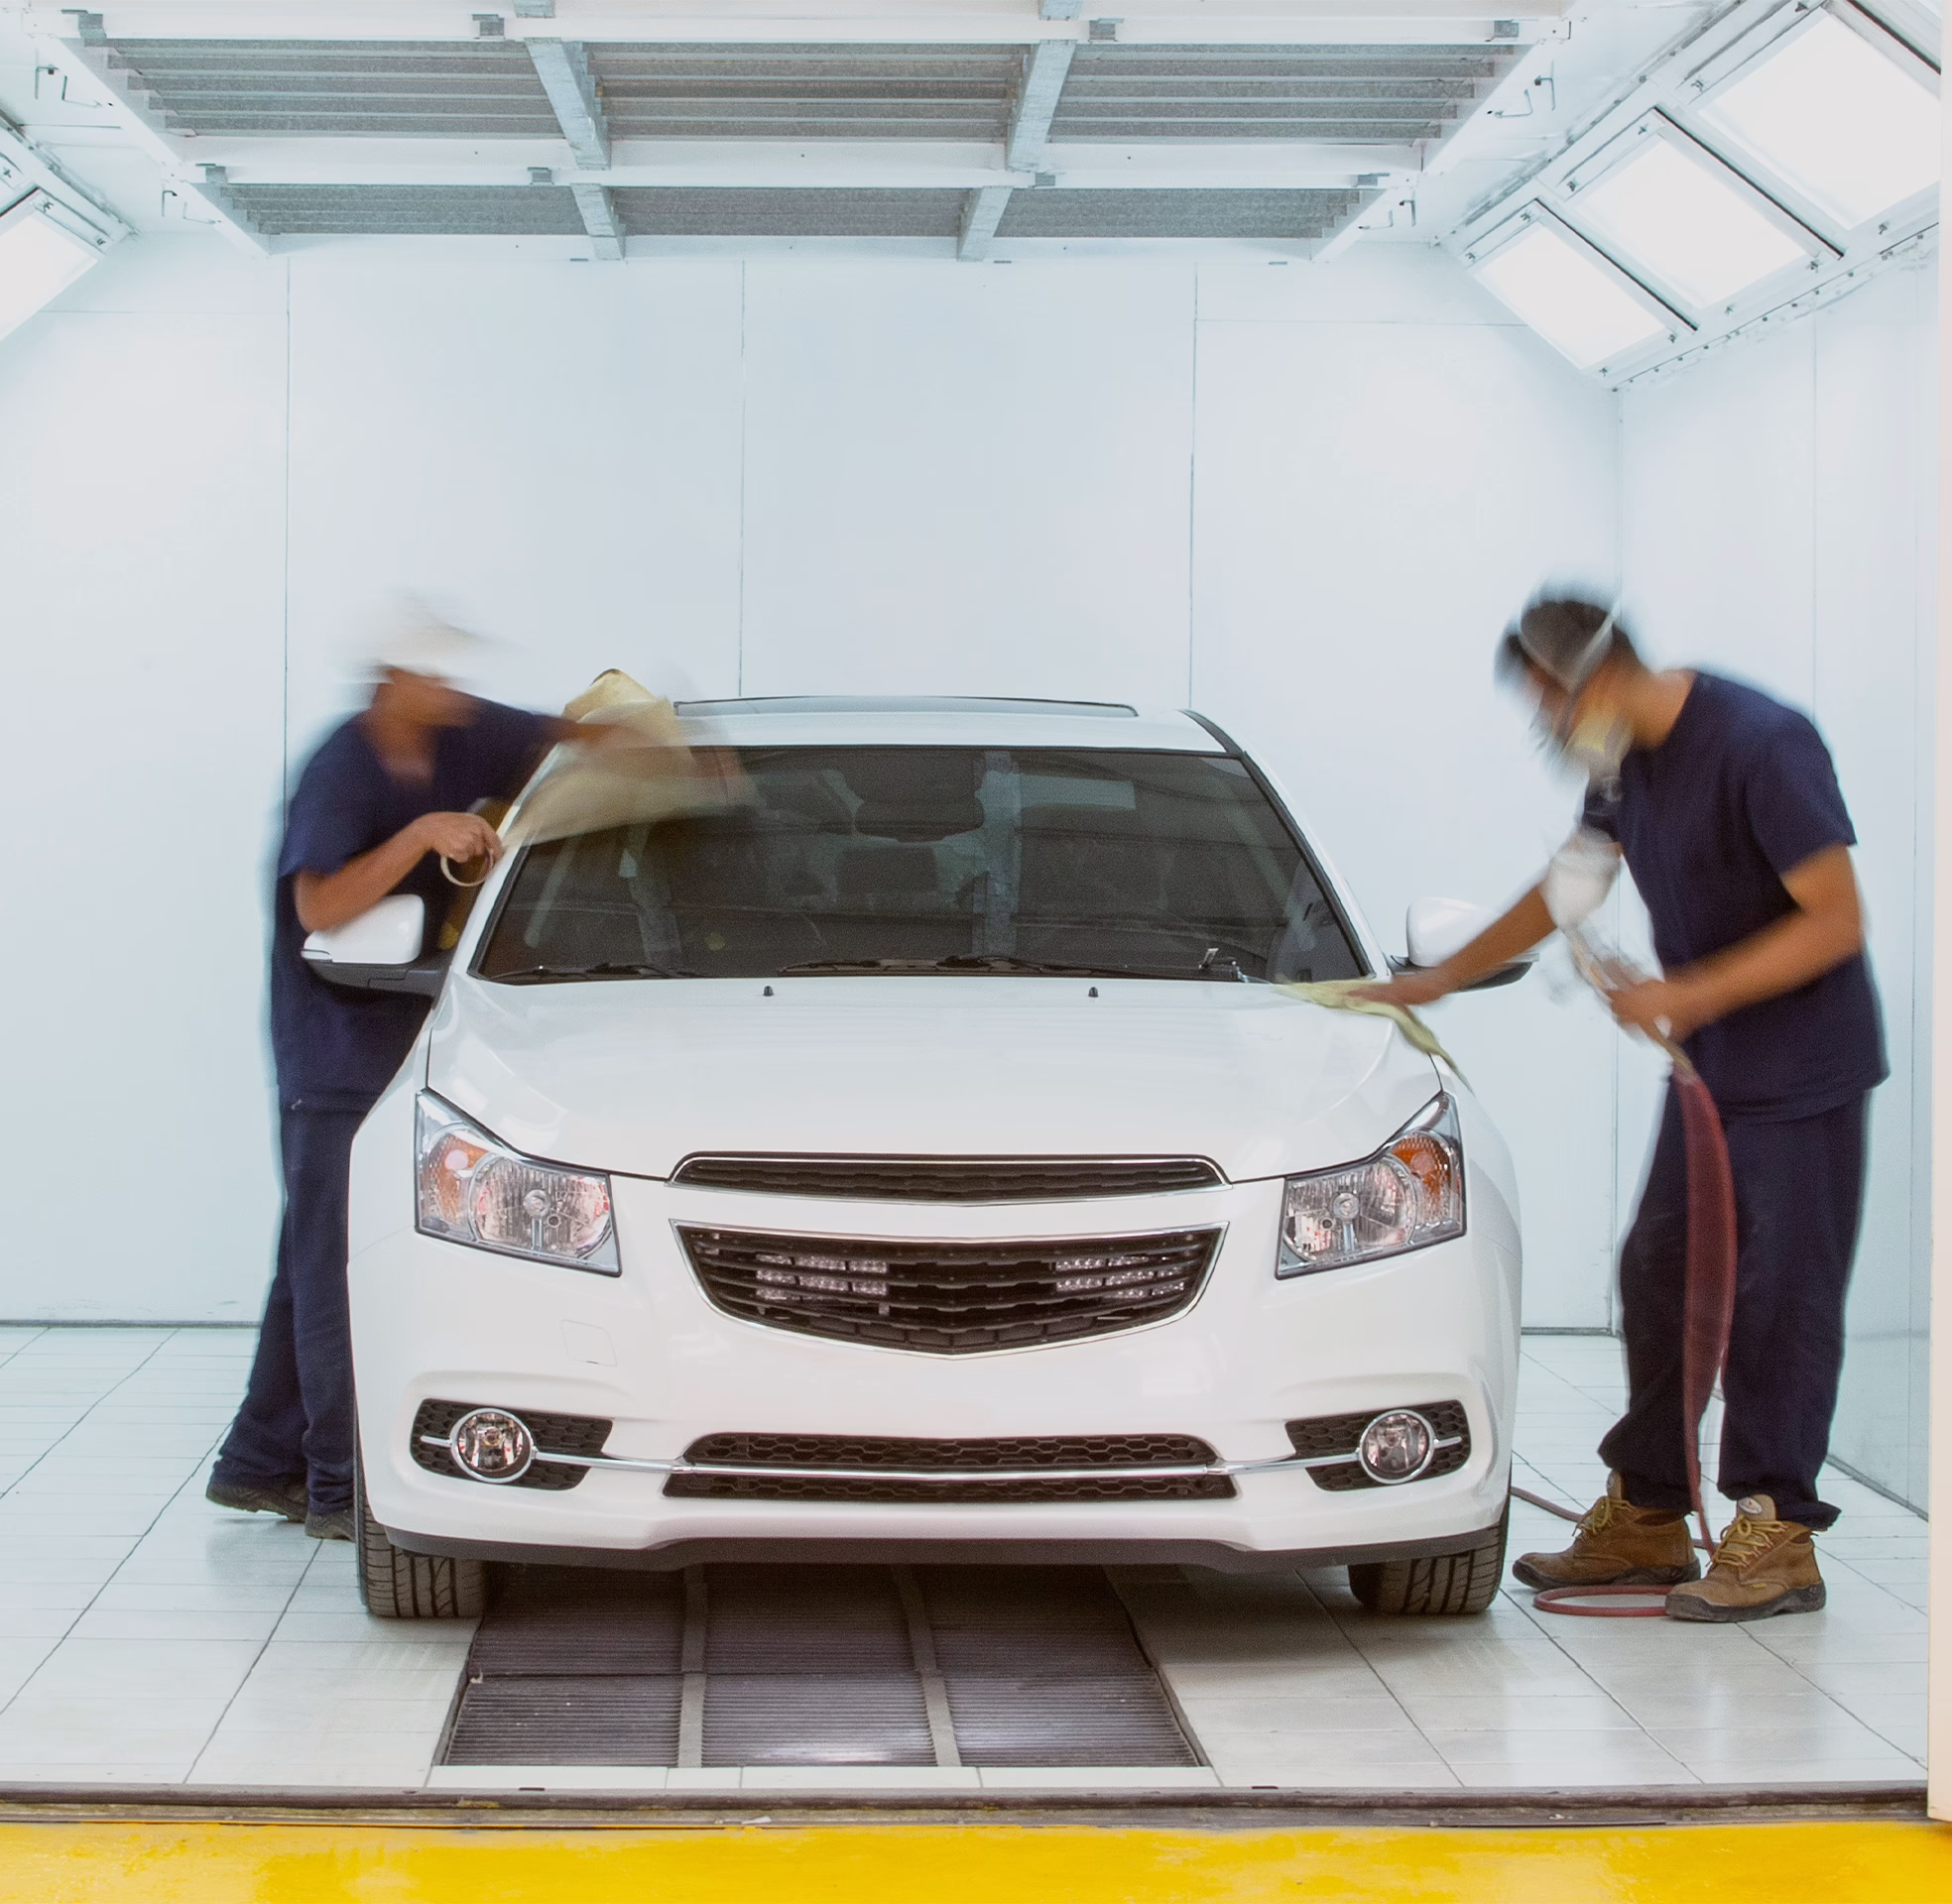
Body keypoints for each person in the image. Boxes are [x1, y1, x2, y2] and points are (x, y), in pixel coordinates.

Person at [1362, 596, 1885, 1621]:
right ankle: (1649, 1514)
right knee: (1657, 1269)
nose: (1548, 725)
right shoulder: (1625, 763)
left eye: (1549, 702)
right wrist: (1443, 977)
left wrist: (1688, 993)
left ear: (1598, 675)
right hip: (1713, 1070)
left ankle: (1778, 1531)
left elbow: (1836, 922)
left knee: (1780, 1299)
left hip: (1805, 1072)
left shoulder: (1762, 744)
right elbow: (1570, 883)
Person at [207, 608, 585, 1540]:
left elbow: (564, 737)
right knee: (341, 1269)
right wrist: (421, 836)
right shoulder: (343, 768)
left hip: (412, 1048)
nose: (454, 694)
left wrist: (664, 745)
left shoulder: (460, 728)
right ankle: (339, 1488)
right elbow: (320, 905)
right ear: (391, 681)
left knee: (315, 1257)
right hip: (336, 1054)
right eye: (435, 679)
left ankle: (257, 1462)